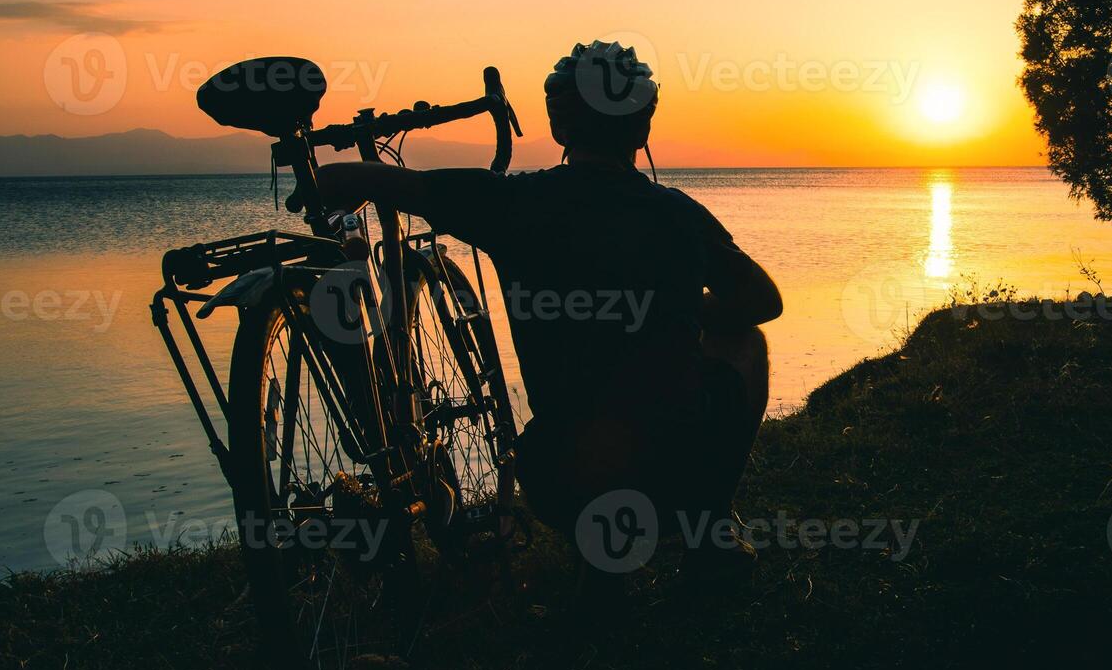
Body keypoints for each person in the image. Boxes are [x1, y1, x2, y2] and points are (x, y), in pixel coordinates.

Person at [318, 41, 782, 588]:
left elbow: (396, 184)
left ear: (560, 129)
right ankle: (712, 535)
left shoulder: (512, 204)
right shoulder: (680, 215)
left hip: (558, 478)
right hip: (674, 474)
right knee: (746, 343)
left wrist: (324, 180)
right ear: (641, 130)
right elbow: (763, 302)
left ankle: (604, 557)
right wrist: (679, 311)